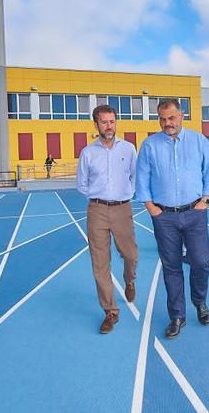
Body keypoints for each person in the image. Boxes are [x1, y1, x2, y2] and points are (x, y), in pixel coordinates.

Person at [136, 98, 209, 339]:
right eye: (162, 119)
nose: (167, 123)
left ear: (182, 115)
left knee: (201, 261)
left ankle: (200, 302)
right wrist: (151, 208)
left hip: (195, 212)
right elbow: (142, 178)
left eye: (171, 118)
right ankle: (177, 316)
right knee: (171, 267)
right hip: (164, 217)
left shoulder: (198, 140)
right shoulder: (149, 145)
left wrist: (205, 200)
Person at [76, 105, 139, 334]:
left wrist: (124, 195)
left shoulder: (129, 149)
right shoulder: (88, 153)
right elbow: (82, 184)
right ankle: (110, 312)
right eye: (104, 122)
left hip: (123, 209)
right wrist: (99, 196)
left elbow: (135, 175)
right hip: (97, 210)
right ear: (96, 125)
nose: (109, 126)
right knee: (100, 265)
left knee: (131, 255)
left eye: (112, 121)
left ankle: (129, 280)